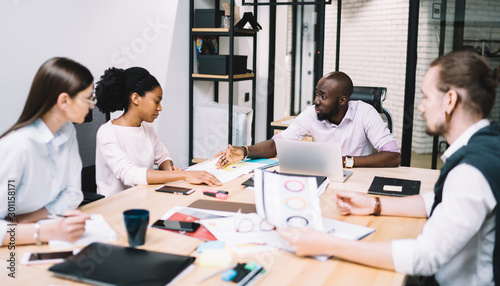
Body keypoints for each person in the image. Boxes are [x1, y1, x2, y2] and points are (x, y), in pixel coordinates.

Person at [278, 51, 500, 286]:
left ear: (450, 100)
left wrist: (327, 244)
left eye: (426, 97)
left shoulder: (471, 171)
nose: (422, 108)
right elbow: (437, 200)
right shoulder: (484, 144)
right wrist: (375, 204)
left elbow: (424, 256)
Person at [215, 71, 400, 169]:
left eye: (323, 96)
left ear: (342, 101)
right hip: (325, 176)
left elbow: (393, 156)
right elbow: (276, 145)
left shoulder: (365, 113)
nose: (316, 101)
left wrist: (345, 162)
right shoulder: (312, 113)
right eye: (316, 94)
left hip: (359, 176)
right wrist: (245, 151)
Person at [0, 57, 92, 246]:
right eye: (88, 98)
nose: (92, 104)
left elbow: (73, 194)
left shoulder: (68, 132)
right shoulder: (19, 146)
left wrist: (29, 218)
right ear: (64, 101)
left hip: (32, 234)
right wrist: (45, 231)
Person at [94, 67, 221, 197]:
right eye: (156, 101)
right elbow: (130, 175)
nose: (160, 108)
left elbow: (163, 157)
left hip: (142, 198)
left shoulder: (147, 129)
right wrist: (184, 174)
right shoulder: (107, 133)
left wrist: (168, 168)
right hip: (115, 207)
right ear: (136, 98)